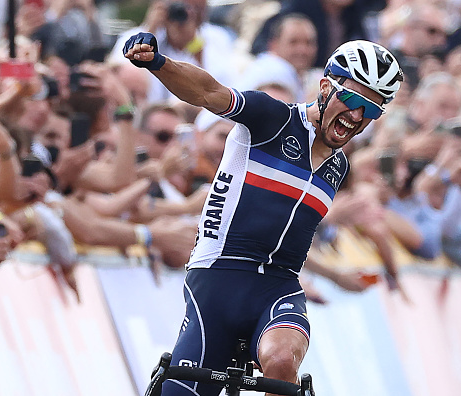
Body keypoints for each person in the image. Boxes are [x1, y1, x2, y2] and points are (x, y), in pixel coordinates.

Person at [123, 32, 403, 395]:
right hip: (218, 279)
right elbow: (207, 91)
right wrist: (158, 63)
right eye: (350, 98)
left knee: (283, 362)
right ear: (324, 87)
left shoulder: (338, 167)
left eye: (373, 109)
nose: (356, 115)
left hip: (279, 287)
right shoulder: (272, 118)